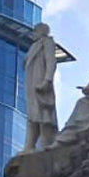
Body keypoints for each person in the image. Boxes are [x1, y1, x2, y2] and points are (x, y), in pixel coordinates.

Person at [23, 21, 60, 151]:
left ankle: (45, 143)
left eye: (35, 31)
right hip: (31, 84)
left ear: (41, 31)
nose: (33, 34)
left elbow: (51, 62)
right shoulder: (34, 46)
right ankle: (29, 144)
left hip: (41, 83)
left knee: (43, 114)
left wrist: (47, 80)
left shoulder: (47, 42)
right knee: (32, 114)